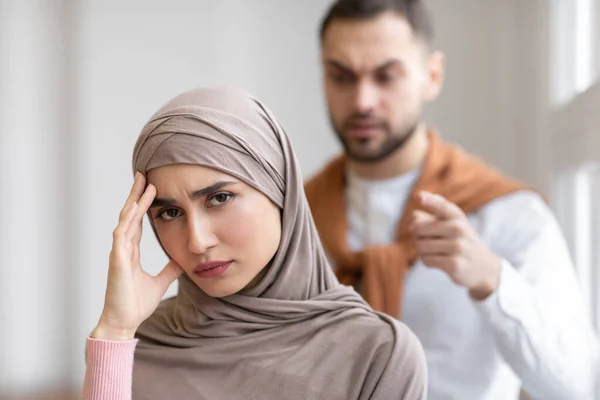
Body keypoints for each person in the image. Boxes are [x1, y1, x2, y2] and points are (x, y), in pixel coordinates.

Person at [305, 1, 600, 399]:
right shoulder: (292, 217)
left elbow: (576, 386)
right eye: (341, 77)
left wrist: (494, 282)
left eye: (386, 76)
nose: (362, 101)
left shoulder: (509, 215)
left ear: (432, 76)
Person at [81, 87, 428, 400]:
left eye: (219, 198)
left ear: (280, 191)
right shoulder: (135, 344)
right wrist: (115, 331)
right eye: (170, 212)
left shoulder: (377, 354)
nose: (198, 242)